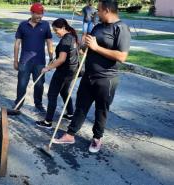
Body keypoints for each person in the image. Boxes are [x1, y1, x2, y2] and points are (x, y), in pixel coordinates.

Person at [53, 0, 131, 153]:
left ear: (107, 10)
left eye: (99, 10)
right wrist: (84, 45)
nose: (96, 13)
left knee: (101, 110)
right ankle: (70, 134)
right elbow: (85, 49)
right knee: (81, 106)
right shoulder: (98, 27)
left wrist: (97, 47)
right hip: (88, 75)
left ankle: (97, 138)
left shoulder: (121, 29)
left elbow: (122, 56)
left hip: (106, 78)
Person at [35, 18, 79, 128]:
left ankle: (48, 122)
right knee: (64, 92)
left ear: (63, 28)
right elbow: (74, 52)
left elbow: (61, 59)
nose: (55, 32)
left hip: (64, 72)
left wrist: (48, 68)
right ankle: (70, 114)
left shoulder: (65, 39)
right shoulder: (72, 36)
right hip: (72, 71)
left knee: (52, 95)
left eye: (56, 30)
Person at [13, 2, 54, 114]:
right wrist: (15, 60)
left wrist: (51, 58)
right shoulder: (22, 25)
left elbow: (49, 41)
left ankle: (38, 104)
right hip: (24, 61)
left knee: (39, 84)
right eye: (37, 14)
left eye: (41, 14)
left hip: (39, 61)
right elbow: (17, 43)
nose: (40, 16)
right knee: (21, 84)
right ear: (31, 13)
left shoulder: (45, 25)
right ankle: (18, 103)